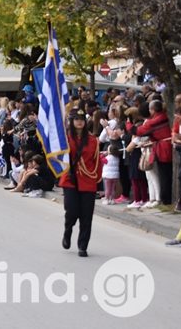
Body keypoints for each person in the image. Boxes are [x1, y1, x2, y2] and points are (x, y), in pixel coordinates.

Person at [59, 109, 102, 257]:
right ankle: (68, 230)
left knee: (86, 215)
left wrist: (96, 179)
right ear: (71, 121)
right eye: (76, 119)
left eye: (82, 119)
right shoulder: (65, 138)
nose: (79, 121)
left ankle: (82, 246)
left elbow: (97, 161)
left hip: (88, 180)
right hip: (70, 179)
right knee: (71, 211)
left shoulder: (93, 140)